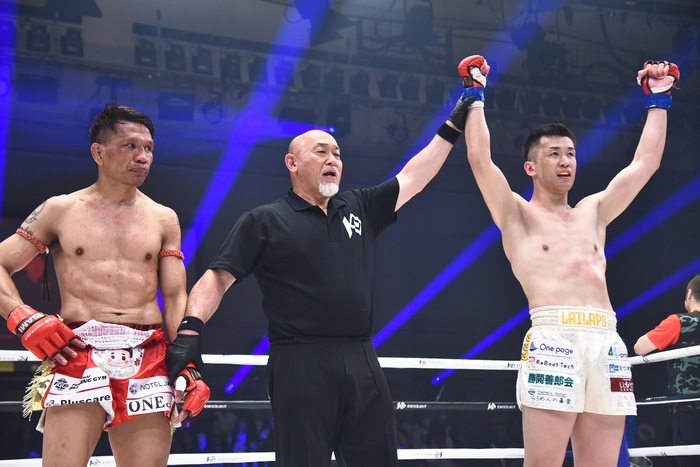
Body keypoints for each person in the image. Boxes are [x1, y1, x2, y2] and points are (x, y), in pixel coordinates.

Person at [165, 86, 476, 465]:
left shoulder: (358, 206)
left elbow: (414, 176)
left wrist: (452, 124)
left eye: (338, 154)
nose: (333, 159)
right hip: (300, 358)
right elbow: (217, 278)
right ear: (292, 163)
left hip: (361, 354)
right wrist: (190, 331)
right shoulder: (265, 220)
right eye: (321, 151)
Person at [459, 54, 679, 467]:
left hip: (606, 341)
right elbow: (479, 160)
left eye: (571, 154)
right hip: (553, 339)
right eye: (554, 154)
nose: (565, 162)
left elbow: (645, 164)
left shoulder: (593, 211)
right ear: (530, 166)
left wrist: (659, 98)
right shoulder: (516, 214)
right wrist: (475, 95)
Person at [0, 103, 209, 467]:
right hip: (77, 350)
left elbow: (175, 295)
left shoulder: (164, 218)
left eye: (149, 148)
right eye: (130, 146)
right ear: (98, 152)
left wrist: (186, 362)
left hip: (149, 353)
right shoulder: (61, 210)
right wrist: (23, 318)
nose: (143, 157)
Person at [634, 274, 700, 467]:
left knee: (689, 460)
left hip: (690, 410)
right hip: (689, 409)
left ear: (689, 294)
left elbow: (640, 348)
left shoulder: (680, 322)